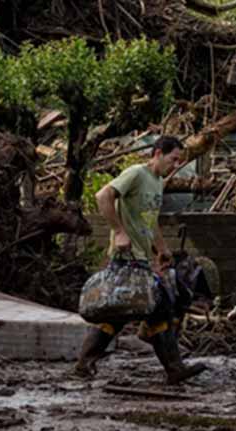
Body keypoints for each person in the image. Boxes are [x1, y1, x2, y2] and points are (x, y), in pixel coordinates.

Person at [74, 136, 208, 384]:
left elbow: (150, 220)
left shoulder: (157, 182)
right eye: (173, 159)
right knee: (156, 308)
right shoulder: (136, 173)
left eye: (179, 161)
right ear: (158, 153)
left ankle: (85, 363)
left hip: (142, 258)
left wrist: (161, 248)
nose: (175, 165)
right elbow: (103, 195)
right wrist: (119, 231)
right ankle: (173, 367)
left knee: (118, 315)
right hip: (125, 257)